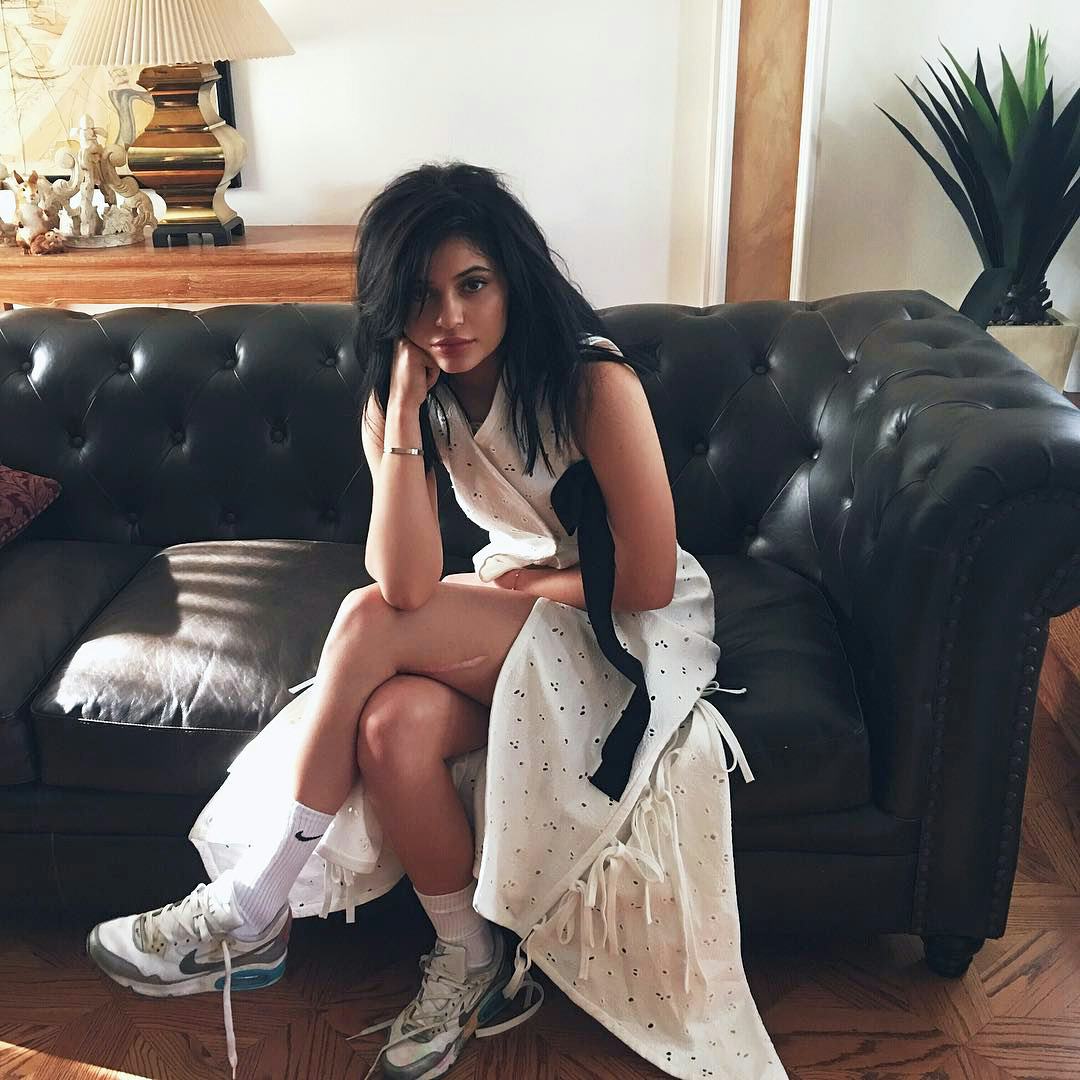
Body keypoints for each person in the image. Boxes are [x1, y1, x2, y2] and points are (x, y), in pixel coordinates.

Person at [85, 162, 788, 1080]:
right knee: (392, 726)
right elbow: (407, 577)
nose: (449, 318)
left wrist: (523, 590)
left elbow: (650, 578)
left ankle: (255, 904)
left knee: (365, 620)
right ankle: (472, 961)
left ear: (512, 280)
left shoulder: (591, 382)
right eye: (421, 297)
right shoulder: (409, 398)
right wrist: (405, 419)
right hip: (517, 613)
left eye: (472, 285)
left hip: (625, 628)